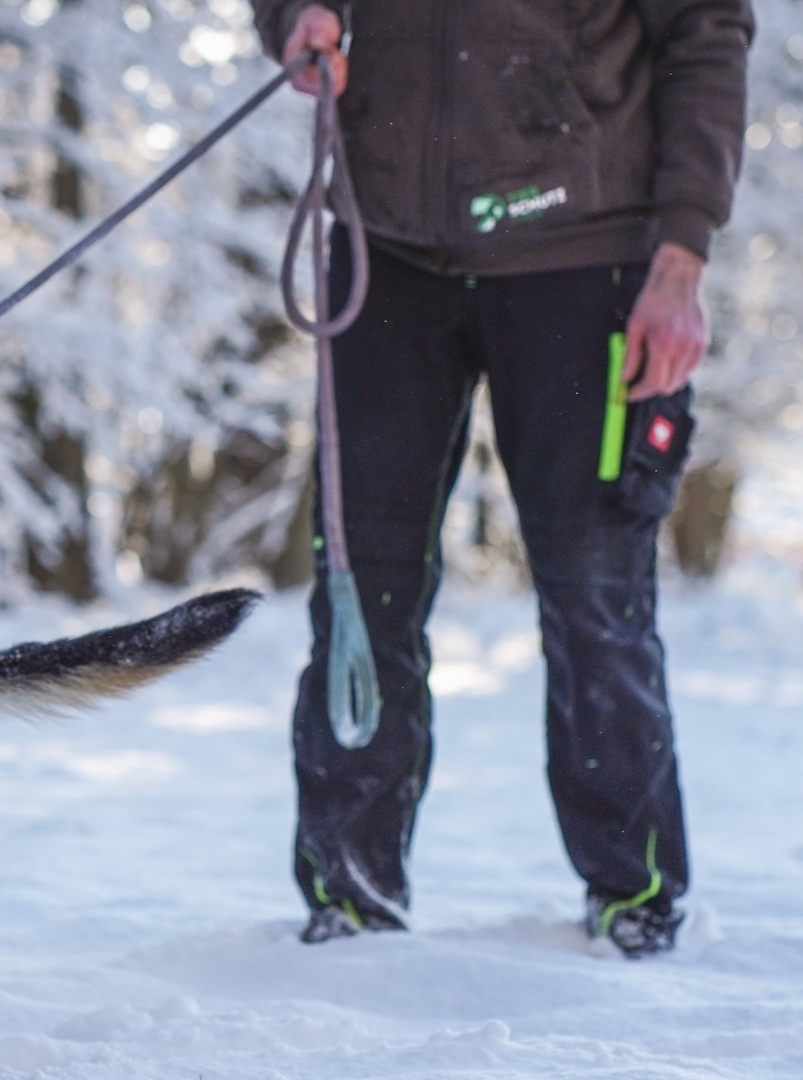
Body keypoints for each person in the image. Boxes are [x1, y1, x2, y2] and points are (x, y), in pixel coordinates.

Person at [254, 1, 753, 955]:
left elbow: (706, 32)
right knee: (361, 590)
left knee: (595, 597)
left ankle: (633, 899)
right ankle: (350, 900)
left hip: (589, 256)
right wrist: (293, 19)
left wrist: (682, 255)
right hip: (384, 249)